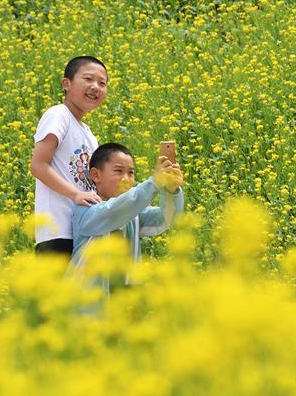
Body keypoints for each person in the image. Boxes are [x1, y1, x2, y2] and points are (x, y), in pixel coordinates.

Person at [70, 143, 185, 293]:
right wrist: (154, 183)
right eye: (118, 171)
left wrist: (171, 191)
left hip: (123, 302)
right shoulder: (86, 211)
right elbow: (115, 210)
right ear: (96, 175)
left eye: (131, 173)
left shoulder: (133, 216)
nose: (126, 179)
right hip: (87, 304)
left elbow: (165, 219)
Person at [30, 56, 108, 256]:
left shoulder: (89, 135)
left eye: (102, 83)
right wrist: (76, 195)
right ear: (66, 84)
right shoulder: (58, 115)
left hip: (83, 232)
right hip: (58, 233)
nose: (95, 87)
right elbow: (38, 166)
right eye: (88, 79)